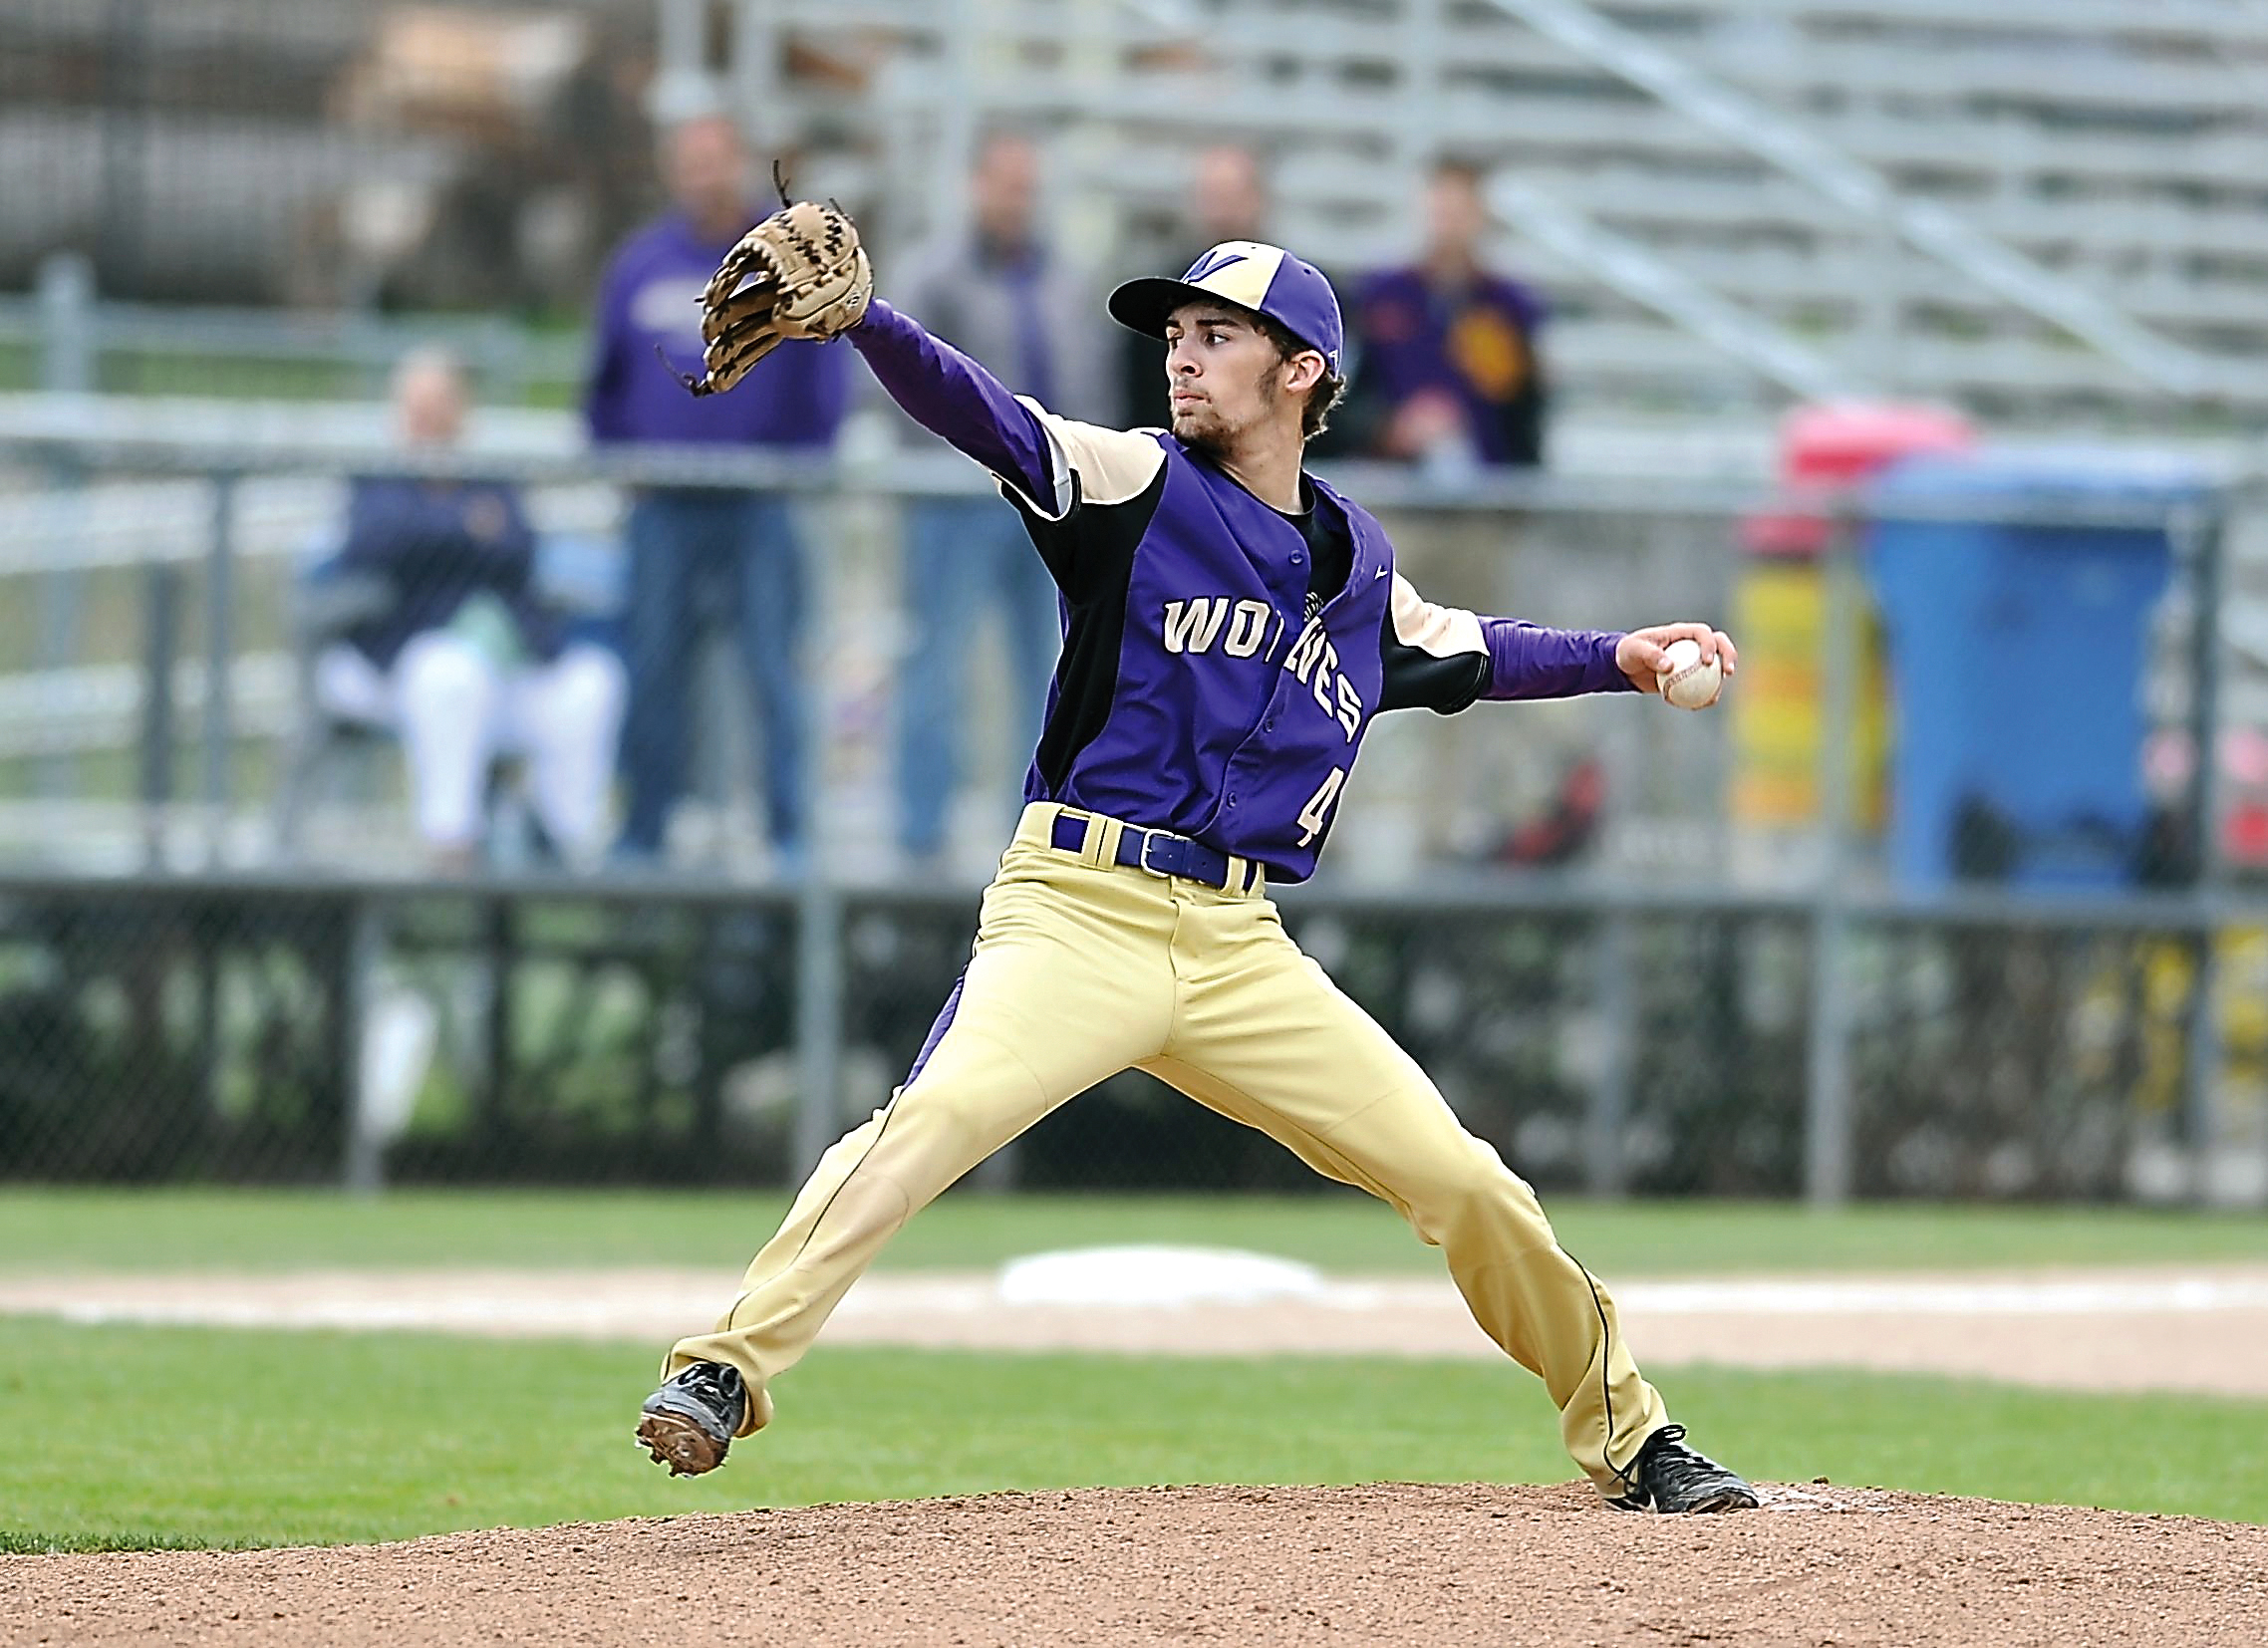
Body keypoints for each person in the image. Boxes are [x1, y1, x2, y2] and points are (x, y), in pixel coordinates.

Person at [638, 218, 1760, 1515]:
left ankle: (1634, 1432)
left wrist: (1616, 654)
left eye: (1217, 337)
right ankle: (725, 1367)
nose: (1183, 358)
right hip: (1077, 912)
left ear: (1302, 373)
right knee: (923, 1126)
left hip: (1239, 949)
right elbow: (994, 419)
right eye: (1175, 336)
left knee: (1463, 1178)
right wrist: (871, 326)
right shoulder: (1134, 486)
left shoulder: (1359, 573)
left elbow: (1476, 648)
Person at [584, 113, 848, 867]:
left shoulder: (779, 264)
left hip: (757, 508)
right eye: (689, 162)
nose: (703, 175)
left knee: (771, 672)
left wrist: (794, 463)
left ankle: (788, 834)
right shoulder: (640, 266)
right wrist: (622, 462)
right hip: (662, 510)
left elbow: (821, 380)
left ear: (737, 164)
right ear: (673, 170)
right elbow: (602, 390)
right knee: (654, 669)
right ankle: (644, 832)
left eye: (716, 160)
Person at [317, 348, 626, 870]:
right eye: (419, 405)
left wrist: (439, 528)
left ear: (462, 410)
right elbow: (379, 541)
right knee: (450, 670)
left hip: (505, 664)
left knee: (593, 681)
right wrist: (464, 526)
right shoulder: (377, 480)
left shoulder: (492, 481)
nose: (430, 417)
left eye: (441, 403)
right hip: (402, 666)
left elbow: (518, 548)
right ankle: (452, 844)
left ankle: (565, 844)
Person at [893, 132, 1110, 867]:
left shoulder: (1067, 283)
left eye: (1028, 186)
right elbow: (903, 388)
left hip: (1050, 509)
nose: (1017, 201)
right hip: (957, 503)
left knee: (1047, 671)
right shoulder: (934, 277)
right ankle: (920, 836)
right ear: (976, 186)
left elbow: (1091, 395)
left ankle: (1035, 835)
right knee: (938, 665)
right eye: (1005, 184)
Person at [1341, 158, 1550, 471]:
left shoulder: (1507, 306)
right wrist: (1391, 427)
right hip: (1393, 476)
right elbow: (1348, 392)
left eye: (1460, 213)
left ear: (1481, 217)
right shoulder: (1381, 295)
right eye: (1442, 212)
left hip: (1488, 479)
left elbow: (1524, 408)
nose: (1449, 225)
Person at [1117, 143, 1271, 427]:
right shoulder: (1160, 298)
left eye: (1232, 196)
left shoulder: (1289, 300)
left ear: (1258, 200)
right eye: (1213, 196)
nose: (1222, 211)